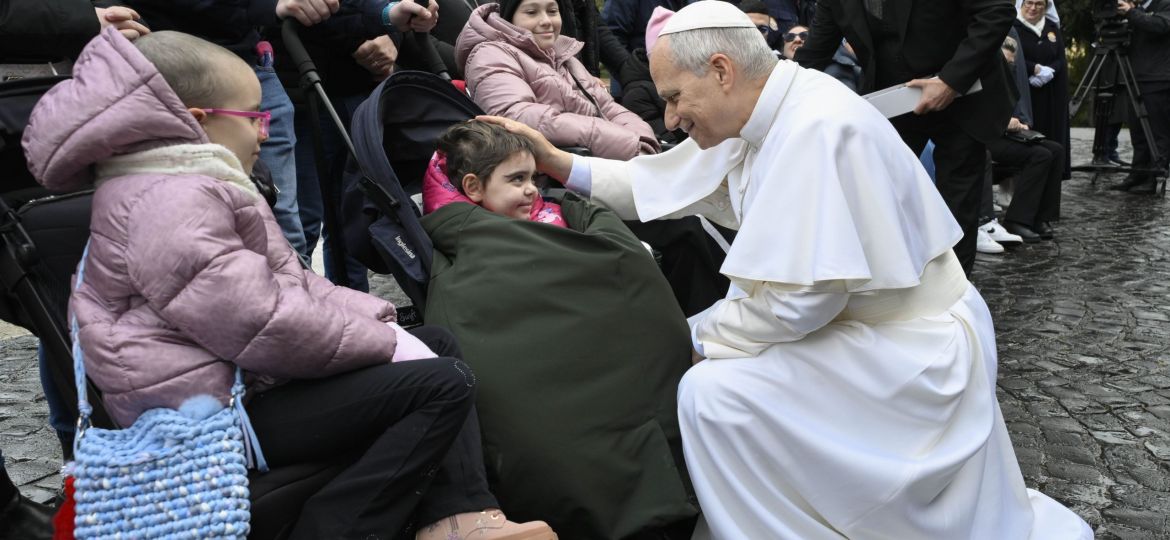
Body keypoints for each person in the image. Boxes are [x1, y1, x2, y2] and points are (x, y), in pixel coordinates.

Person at [480, 2, 1093, 537]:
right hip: (867, 325)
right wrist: (558, 162)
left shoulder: (816, 128)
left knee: (713, 393)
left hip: (911, 349)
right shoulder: (771, 107)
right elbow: (664, 180)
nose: (668, 120)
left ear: (720, 70)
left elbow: (802, 302)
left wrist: (691, 340)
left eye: (673, 98)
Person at [22, 29, 555, 540]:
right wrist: (382, 340)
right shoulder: (169, 202)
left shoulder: (190, 182)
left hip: (249, 382)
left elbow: (292, 286)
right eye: (253, 115)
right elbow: (259, 320)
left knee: (434, 343)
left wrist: (380, 321)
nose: (267, 129)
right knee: (441, 382)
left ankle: (459, 516)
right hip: (218, 414)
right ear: (196, 121)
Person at [796, 0, 1019, 276]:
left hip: (963, 93)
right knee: (883, 196)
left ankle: (954, 295)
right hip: (893, 99)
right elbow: (814, 55)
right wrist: (774, 93)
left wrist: (949, 82)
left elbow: (997, 11)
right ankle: (896, 285)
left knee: (958, 203)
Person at [456, 0, 659, 159]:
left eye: (552, 11)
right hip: (539, 177)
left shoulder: (564, 56)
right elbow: (516, 117)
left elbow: (609, 107)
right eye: (531, 12)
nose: (546, 20)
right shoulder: (491, 54)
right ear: (510, 18)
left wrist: (640, 140)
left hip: (598, 161)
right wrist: (626, 144)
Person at [988, 34, 1063, 242]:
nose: (1008, 66)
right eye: (1005, 61)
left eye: (1011, 63)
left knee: (1055, 150)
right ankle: (1017, 220)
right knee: (1040, 155)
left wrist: (1018, 123)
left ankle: (1041, 217)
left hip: (1005, 133)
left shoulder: (1005, 79)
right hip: (985, 137)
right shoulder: (983, 78)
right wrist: (1003, 122)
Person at [424, 121, 567, 226]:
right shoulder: (483, 242)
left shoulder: (548, 210)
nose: (533, 190)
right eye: (518, 178)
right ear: (474, 187)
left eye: (532, 178)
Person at [1109, 0, 1170, 194]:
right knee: (1137, 130)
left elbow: (1160, 26)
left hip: (1158, 78)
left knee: (1156, 131)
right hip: (1134, 76)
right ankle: (1138, 173)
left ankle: (1155, 176)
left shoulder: (1164, 5)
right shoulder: (1134, 8)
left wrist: (1132, 13)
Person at [1014, 0, 1071, 178]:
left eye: (1039, 4)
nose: (1033, 8)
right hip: (1025, 93)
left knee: (1050, 137)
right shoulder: (1013, 27)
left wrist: (1050, 71)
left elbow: (1060, 56)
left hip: (1049, 94)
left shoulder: (1051, 26)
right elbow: (1011, 55)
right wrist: (1033, 69)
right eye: (1029, 3)